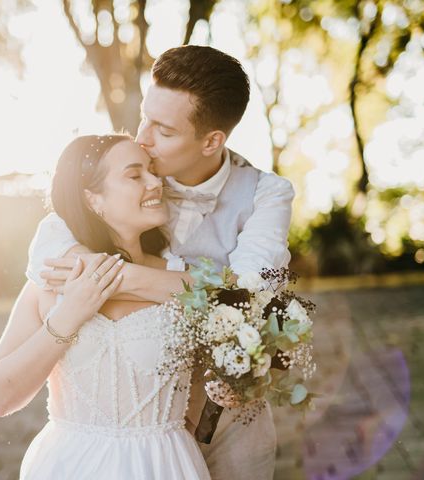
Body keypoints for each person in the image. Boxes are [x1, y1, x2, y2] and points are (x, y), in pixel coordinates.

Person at [26, 45, 295, 479]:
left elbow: (246, 294)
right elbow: (54, 237)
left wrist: (120, 276)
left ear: (212, 140)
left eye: (163, 130)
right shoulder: (134, 176)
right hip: (136, 418)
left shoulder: (268, 194)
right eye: (144, 117)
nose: (142, 138)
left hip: (227, 419)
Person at [0, 134, 211, 479]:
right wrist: (70, 313)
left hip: (163, 465)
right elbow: (1, 397)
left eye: (152, 170)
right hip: (69, 465)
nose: (156, 182)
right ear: (93, 199)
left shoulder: (184, 276)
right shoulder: (51, 282)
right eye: (135, 175)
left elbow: (214, 368)